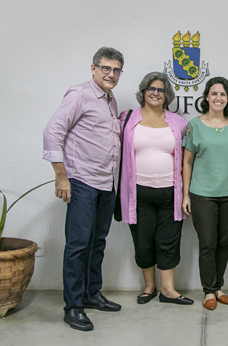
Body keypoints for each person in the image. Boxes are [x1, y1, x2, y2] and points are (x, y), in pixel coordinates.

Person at [43, 47, 124, 331]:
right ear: (93, 69)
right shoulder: (79, 95)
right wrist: (61, 177)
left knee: (97, 242)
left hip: (105, 184)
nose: (111, 74)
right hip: (81, 182)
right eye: (106, 68)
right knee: (77, 246)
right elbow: (52, 131)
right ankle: (73, 306)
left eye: (116, 70)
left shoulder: (110, 101)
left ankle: (91, 294)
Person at [119, 72, 192, 306]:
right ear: (143, 91)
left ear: (167, 95)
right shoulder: (127, 119)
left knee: (168, 240)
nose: (155, 93)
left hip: (171, 193)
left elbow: (188, 158)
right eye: (151, 88)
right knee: (143, 241)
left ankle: (168, 290)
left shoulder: (179, 122)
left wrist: (187, 193)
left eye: (160, 89)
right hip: (138, 193)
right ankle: (149, 287)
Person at [182, 77, 228, 310]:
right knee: (207, 243)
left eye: (223, 94)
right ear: (206, 97)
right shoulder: (194, 126)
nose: (218, 98)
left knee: (224, 243)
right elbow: (186, 162)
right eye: (214, 93)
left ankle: (219, 287)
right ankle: (208, 290)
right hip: (202, 194)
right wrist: (185, 194)